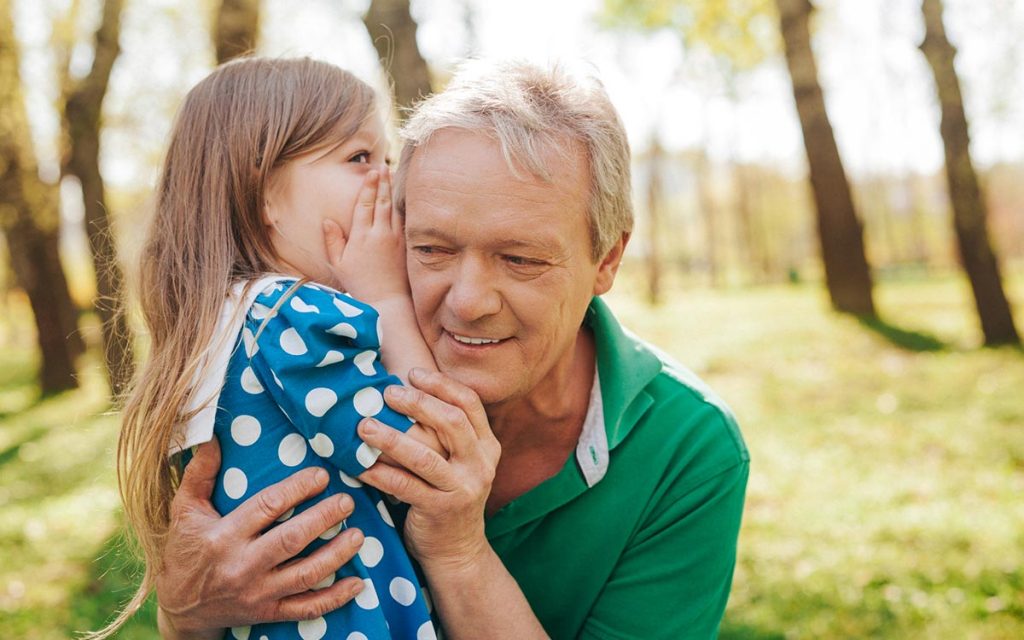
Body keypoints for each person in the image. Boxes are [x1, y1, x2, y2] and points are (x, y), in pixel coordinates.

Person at [154, 59, 750, 640]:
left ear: (608, 259)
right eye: (433, 250)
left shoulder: (689, 448)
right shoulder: (321, 362)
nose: (467, 303)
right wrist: (184, 617)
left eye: (520, 259)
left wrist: (458, 551)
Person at [105, 57, 447, 640]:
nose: (388, 183)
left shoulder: (226, 319)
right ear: (264, 193)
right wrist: (386, 293)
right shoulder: (294, 316)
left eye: (386, 160)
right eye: (360, 158)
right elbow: (430, 451)